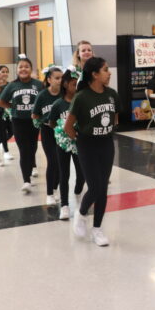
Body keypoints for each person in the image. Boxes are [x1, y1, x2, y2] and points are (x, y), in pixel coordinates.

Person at [64, 57, 120, 247]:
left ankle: (97, 229)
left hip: (106, 144)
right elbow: (68, 127)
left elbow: (115, 119)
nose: (109, 72)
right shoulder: (82, 97)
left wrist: (103, 129)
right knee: (95, 186)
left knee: (102, 188)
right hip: (87, 145)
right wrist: (80, 141)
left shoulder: (112, 94)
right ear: (94, 74)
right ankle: (80, 214)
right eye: (105, 70)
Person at [0, 56, 43, 193]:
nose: (23, 69)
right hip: (18, 122)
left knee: (33, 147)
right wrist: (12, 107)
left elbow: (44, 100)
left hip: (34, 121)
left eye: (26, 66)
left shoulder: (39, 84)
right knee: (24, 150)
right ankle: (26, 181)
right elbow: (1, 102)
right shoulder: (12, 85)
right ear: (17, 70)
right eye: (21, 67)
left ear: (31, 69)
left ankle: (32, 166)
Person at [48, 67, 85, 220]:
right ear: (65, 85)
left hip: (78, 142)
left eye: (78, 84)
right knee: (64, 174)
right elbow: (51, 123)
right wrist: (62, 131)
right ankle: (64, 205)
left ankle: (77, 192)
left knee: (82, 173)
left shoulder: (82, 101)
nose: (75, 87)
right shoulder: (58, 104)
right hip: (62, 144)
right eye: (72, 84)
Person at [33, 65, 62, 206]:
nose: (60, 80)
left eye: (62, 78)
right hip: (47, 131)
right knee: (52, 160)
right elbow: (34, 114)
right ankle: (49, 193)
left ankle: (55, 188)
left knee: (60, 162)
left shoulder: (65, 94)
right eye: (57, 78)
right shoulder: (42, 95)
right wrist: (44, 121)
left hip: (62, 132)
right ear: (49, 79)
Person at [0, 65, 15, 160]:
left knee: (12, 131)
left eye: (7, 72)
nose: (5, 73)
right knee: (2, 131)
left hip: (9, 111)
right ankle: (6, 151)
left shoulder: (10, 84)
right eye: (3, 71)